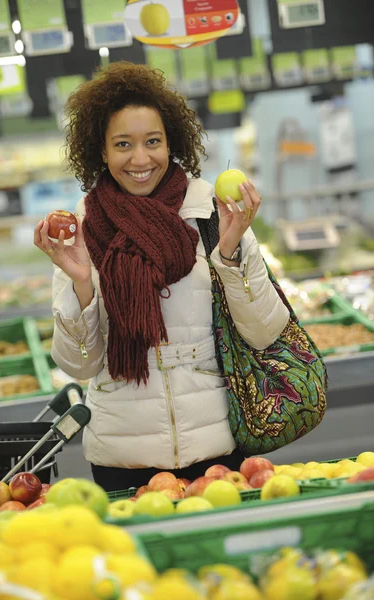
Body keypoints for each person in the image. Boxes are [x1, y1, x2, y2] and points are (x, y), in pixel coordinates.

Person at [34, 61, 290, 492]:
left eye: (152, 141)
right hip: (122, 458)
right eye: (123, 144)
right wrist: (81, 286)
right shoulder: (85, 230)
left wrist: (230, 256)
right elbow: (79, 364)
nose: (140, 159)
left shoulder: (211, 212)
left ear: (171, 141)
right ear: (101, 150)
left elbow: (265, 331)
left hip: (218, 446)